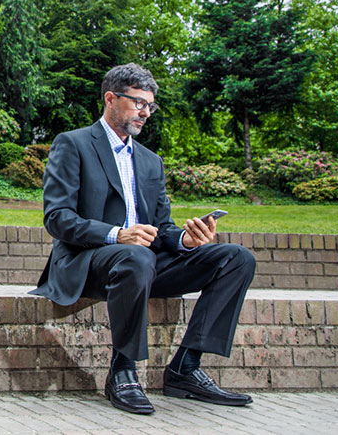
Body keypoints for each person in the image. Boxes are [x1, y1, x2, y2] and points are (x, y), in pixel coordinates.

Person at [29, 63, 256, 415]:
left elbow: (161, 227)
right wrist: (118, 234)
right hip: (88, 261)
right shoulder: (72, 144)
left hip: (145, 263)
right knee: (136, 256)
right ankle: (122, 370)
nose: (146, 112)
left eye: (150, 105)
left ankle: (186, 367)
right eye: (138, 103)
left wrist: (186, 240)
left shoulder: (151, 162)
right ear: (110, 99)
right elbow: (57, 218)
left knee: (237, 258)